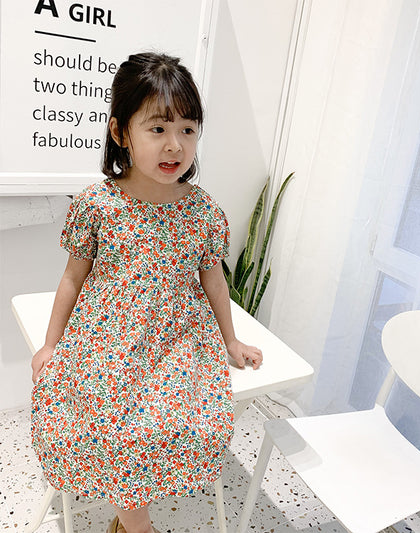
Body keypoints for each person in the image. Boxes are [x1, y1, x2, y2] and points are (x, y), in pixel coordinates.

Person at [30, 52, 263, 533]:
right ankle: (138, 526)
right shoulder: (98, 204)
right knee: (104, 422)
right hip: (108, 336)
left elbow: (213, 279)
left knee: (176, 423)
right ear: (120, 133)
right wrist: (50, 345)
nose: (175, 144)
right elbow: (72, 278)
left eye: (188, 129)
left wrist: (231, 340)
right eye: (157, 128)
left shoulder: (202, 210)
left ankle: (129, 519)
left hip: (177, 340)